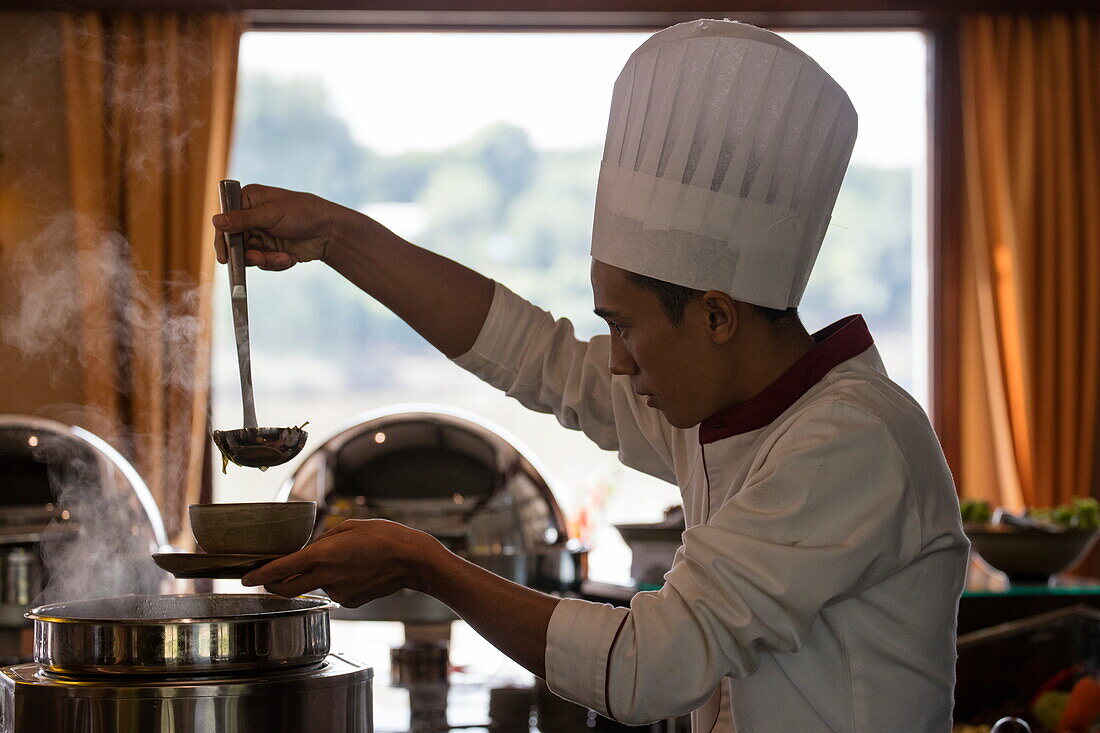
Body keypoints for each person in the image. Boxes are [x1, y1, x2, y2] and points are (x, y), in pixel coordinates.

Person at [218, 20, 969, 732]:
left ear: (715, 316)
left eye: (625, 326)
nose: (612, 359)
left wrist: (426, 564)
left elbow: (650, 663)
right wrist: (337, 237)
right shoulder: (730, 407)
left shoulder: (852, 440)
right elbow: (534, 354)